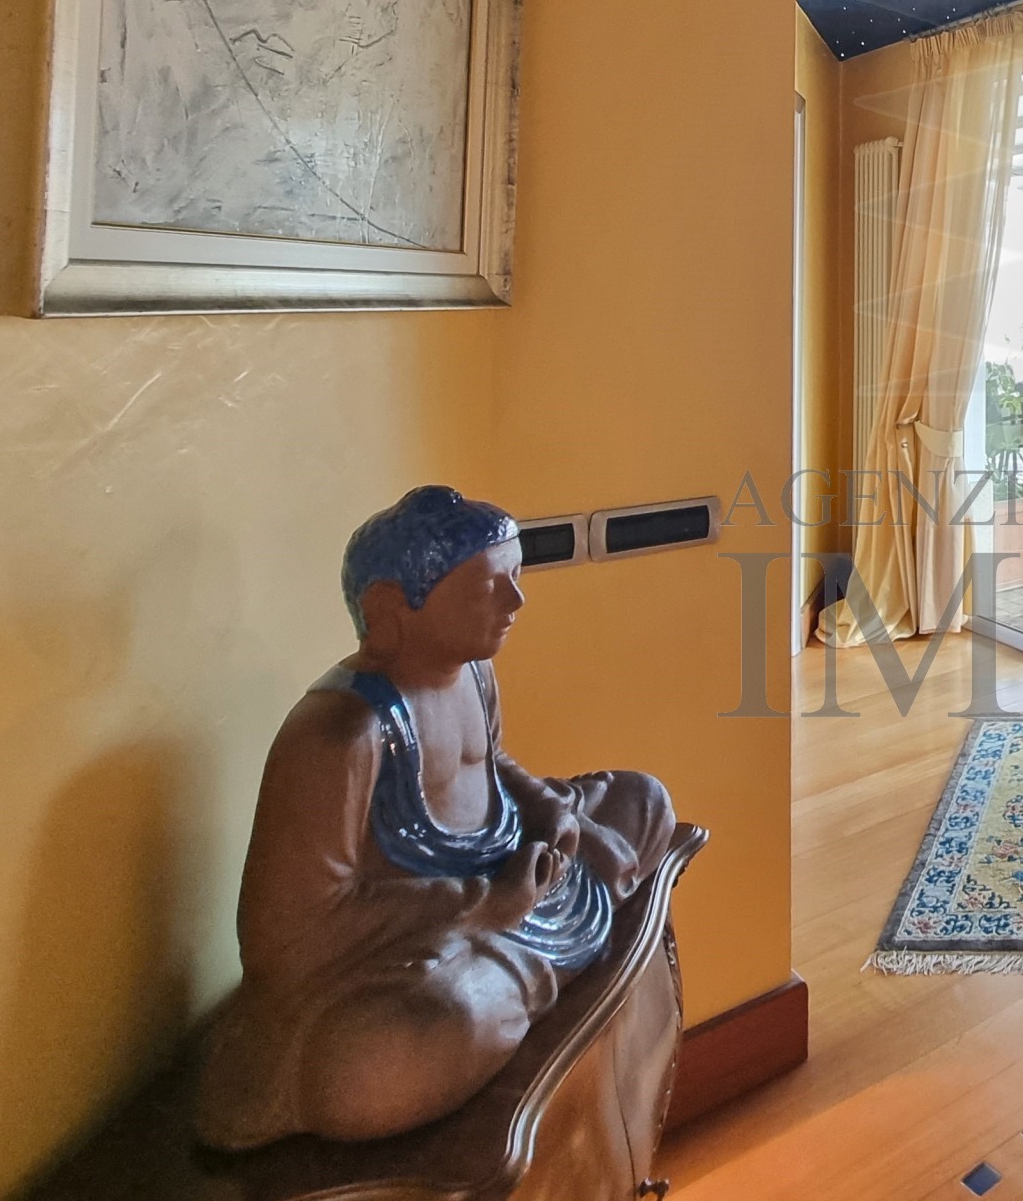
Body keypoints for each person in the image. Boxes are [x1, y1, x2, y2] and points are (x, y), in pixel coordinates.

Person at [196, 487, 675, 1149]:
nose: (516, 601)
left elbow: (492, 764)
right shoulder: (339, 736)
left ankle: (523, 963)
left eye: (516, 577)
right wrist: (483, 903)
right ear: (391, 609)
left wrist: (551, 814)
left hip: (513, 874)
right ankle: (518, 969)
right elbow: (287, 939)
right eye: (489, 586)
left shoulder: (472, 672)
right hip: (415, 941)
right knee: (379, 1064)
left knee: (644, 798)